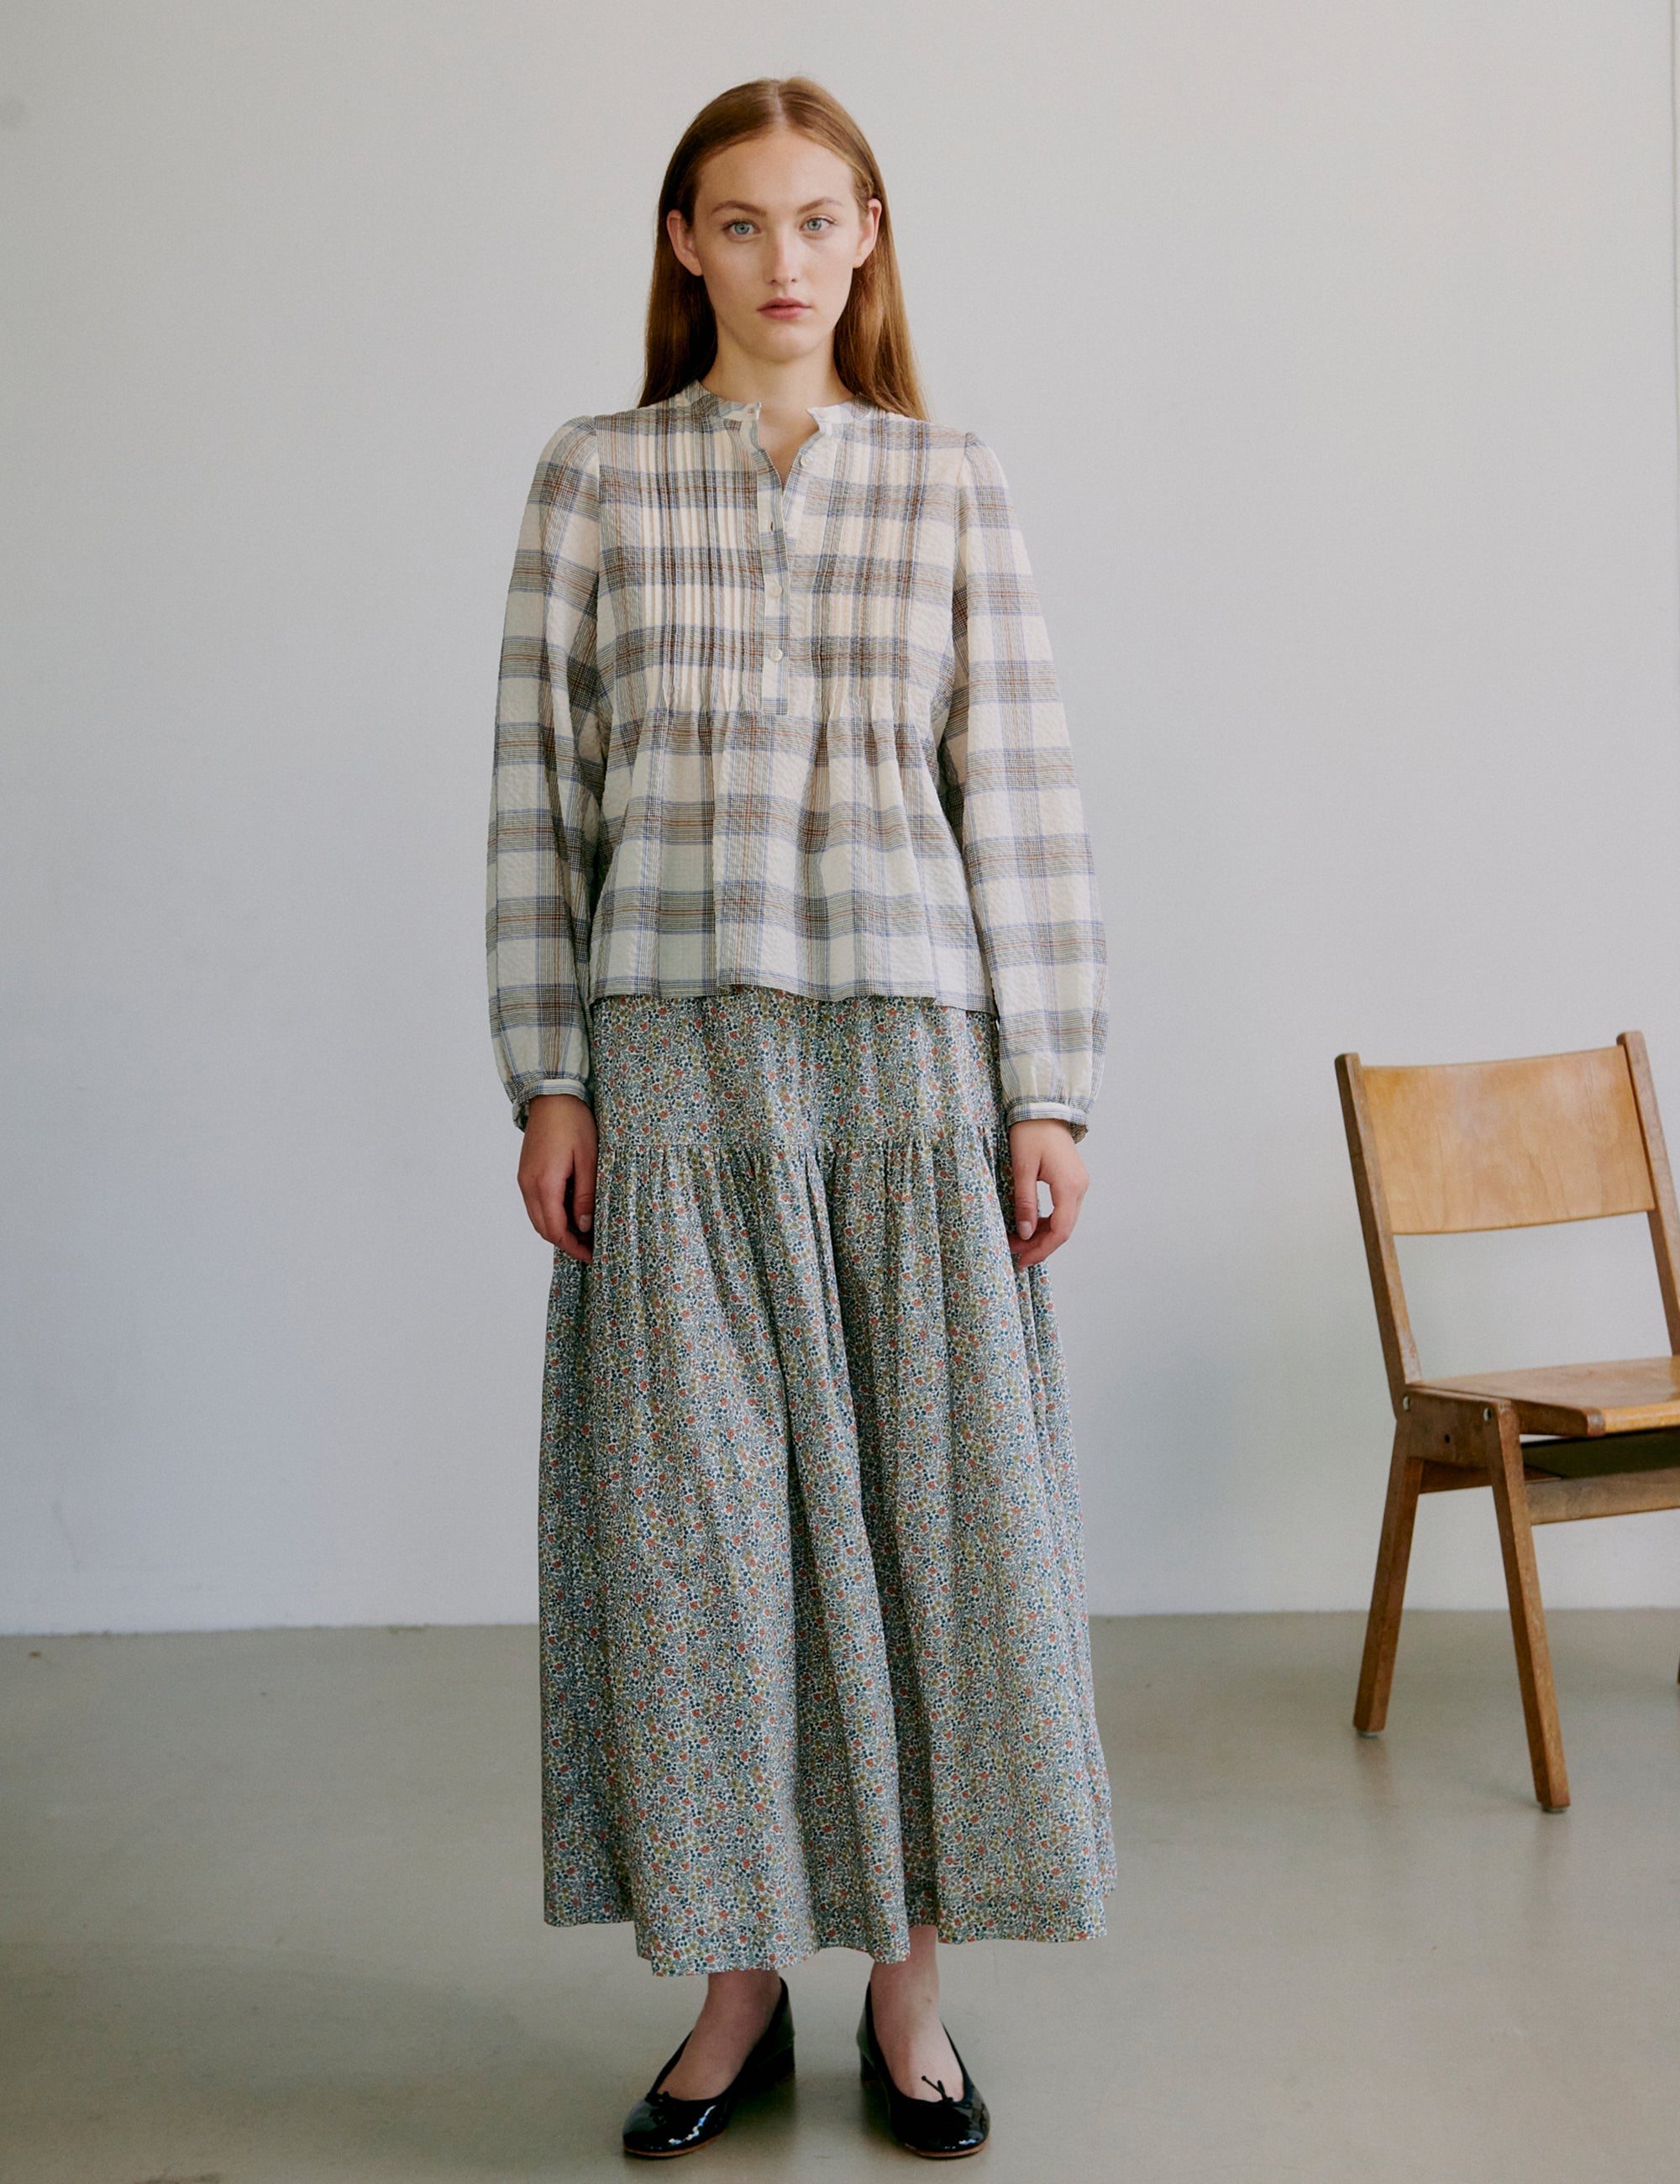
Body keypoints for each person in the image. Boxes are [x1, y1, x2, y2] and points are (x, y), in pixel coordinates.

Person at [486, 73, 1114, 2162]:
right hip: (671, 1072)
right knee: (703, 1554)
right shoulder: (594, 478)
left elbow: (1018, 791)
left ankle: (906, 1994)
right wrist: (551, 1073)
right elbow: (538, 802)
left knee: (933, 1536)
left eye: (817, 219)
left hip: (909, 1076)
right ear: (685, 241)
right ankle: (733, 1984)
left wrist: (1045, 1090)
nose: (782, 259)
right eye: (739, 221)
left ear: (868, 237)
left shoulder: (946, 482)